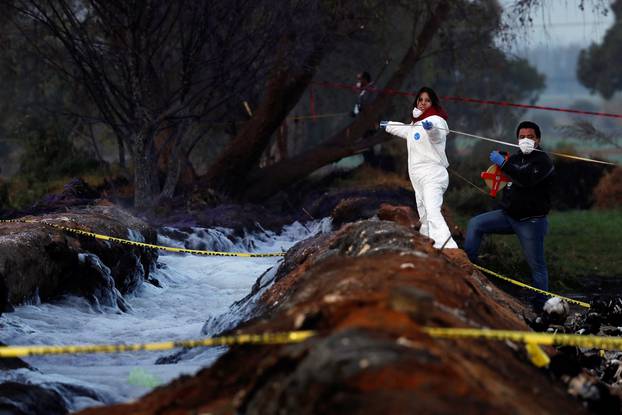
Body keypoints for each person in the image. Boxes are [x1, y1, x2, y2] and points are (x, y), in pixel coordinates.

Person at [463, 121, 555, 311]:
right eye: (522, 137)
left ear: (538, 139)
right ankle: (467, 267)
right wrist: (499, 172)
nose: (526, 140)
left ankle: (541, 307)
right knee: (475, 224)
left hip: (531, 222)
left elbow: (526, 178)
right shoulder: (514, 159)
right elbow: (503, 179)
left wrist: (504, 163)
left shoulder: (543, 161)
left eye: (530, 137)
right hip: (508, 216)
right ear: (517, 139)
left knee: (537, 267)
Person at [380, 86, 458, 249]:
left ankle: (448, 247)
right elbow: (406, 130)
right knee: (423, 212)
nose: (423, 103)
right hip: (418, 176)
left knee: (432, 209)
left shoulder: (436, 120)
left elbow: (437, 136)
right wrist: (387, 125)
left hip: (433, 175)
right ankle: (427, 243)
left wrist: (431, 129)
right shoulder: (415, 123)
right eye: (420, 99)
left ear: (433, 103)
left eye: (427, 100)